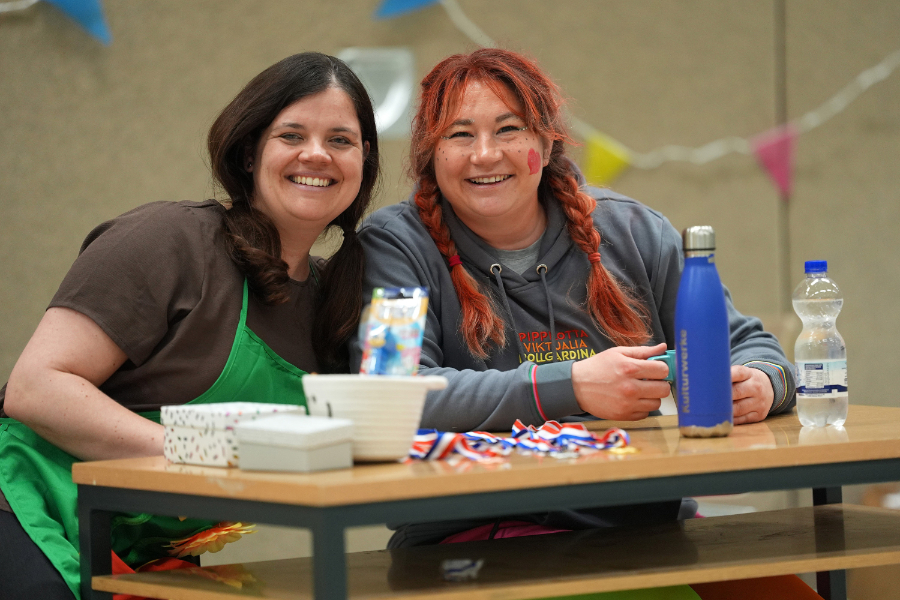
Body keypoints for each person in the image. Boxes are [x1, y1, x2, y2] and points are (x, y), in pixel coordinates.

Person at [353, 48, 795, 548]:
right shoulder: (395, 245)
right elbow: (393, 393)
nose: (485, 154)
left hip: (646, 530)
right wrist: (571, 386)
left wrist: (762, 385)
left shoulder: (633, 230)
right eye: (460, 135)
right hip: (476, 537)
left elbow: (753, 347)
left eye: (509, 129)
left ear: (546, 142)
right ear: (431, 154)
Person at [0, 51, 379, 600]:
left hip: (149, 547)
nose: (316, 154)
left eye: (340, 140)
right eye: (291, 135)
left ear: (364, 160)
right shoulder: (169, 240)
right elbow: (35, 389)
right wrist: (207, 449)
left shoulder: (335, 300)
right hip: (28, 505)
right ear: (249, 152)